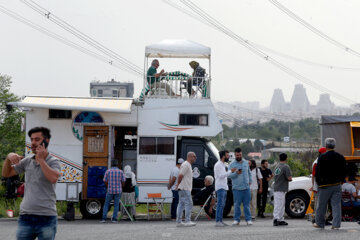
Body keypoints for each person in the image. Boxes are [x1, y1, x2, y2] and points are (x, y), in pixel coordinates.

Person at [2, 126, 61, 240]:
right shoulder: (27, 161)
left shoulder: (54, 161)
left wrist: (41, 160)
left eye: (37, 139)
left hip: (47, 217)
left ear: (46, 140)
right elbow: (6, 174)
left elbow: (53, 178)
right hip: (26, 217)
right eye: (32, 139)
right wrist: (8, 157)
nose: (33, 143)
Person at [314, 138, 346, 229]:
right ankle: (336, 225)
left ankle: (320, 223)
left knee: (321, 205)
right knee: (336, 205)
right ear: (334, 146)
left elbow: (318, 172)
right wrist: (341, 181)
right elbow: (344, 171)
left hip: (324, 185)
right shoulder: (340, 157)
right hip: (336, 184)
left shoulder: (322, 157)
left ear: (326, 146)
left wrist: (319, 182)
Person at [228, 147, 253, 226]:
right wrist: (236, 173)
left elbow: (249, 173)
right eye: (237, 155)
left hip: (246, 188)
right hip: (237, 188)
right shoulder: (231, 164)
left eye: (240, 155)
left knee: (247, 205)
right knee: (237, 205)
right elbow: (229, 176)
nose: (238, 156)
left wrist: (250, 181)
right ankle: (236, 220)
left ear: (242, 154)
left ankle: (248, 219)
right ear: (235, 155)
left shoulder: (246, 163)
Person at [214, 150, 236, 227]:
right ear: (223, 156)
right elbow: (221, 176)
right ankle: (218, 221)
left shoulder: (223, 164)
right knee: (220, 204)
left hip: (223, 187)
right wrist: (230, 171)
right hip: (220, 187)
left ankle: (220, 220)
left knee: (222, 205)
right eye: (227, 155)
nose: (228, 157)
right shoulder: (218, 165)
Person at [310, 147, 331, 224]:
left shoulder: (323, 161)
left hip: (323, 186)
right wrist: (313, 185)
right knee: (318, 204)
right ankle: (316, 218)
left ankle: (324, 219)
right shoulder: (317, 162)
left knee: (324, 203)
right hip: (318, 186)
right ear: (322, 153)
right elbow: (314, 175)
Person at [176, 152, 197, 227]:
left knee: (181, 204)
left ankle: (179, 221)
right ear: (190, 157)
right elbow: (181, 175)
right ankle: (187, 220)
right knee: (189, 203)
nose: (195, 158)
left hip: (183, 188)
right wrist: (178, 184)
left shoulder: (187, 164)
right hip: (185, 187)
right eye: (194, 156)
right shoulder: (186, 164)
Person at [273, 153, 292, 226]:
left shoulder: (277, 166)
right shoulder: (286, 166)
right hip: (281, 187)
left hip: (277, 187)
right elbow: (289, 178)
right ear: (286, 158)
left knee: (280, 204)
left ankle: (280, 219)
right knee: (279, 204)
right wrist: (290, 178)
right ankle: (276, 218)